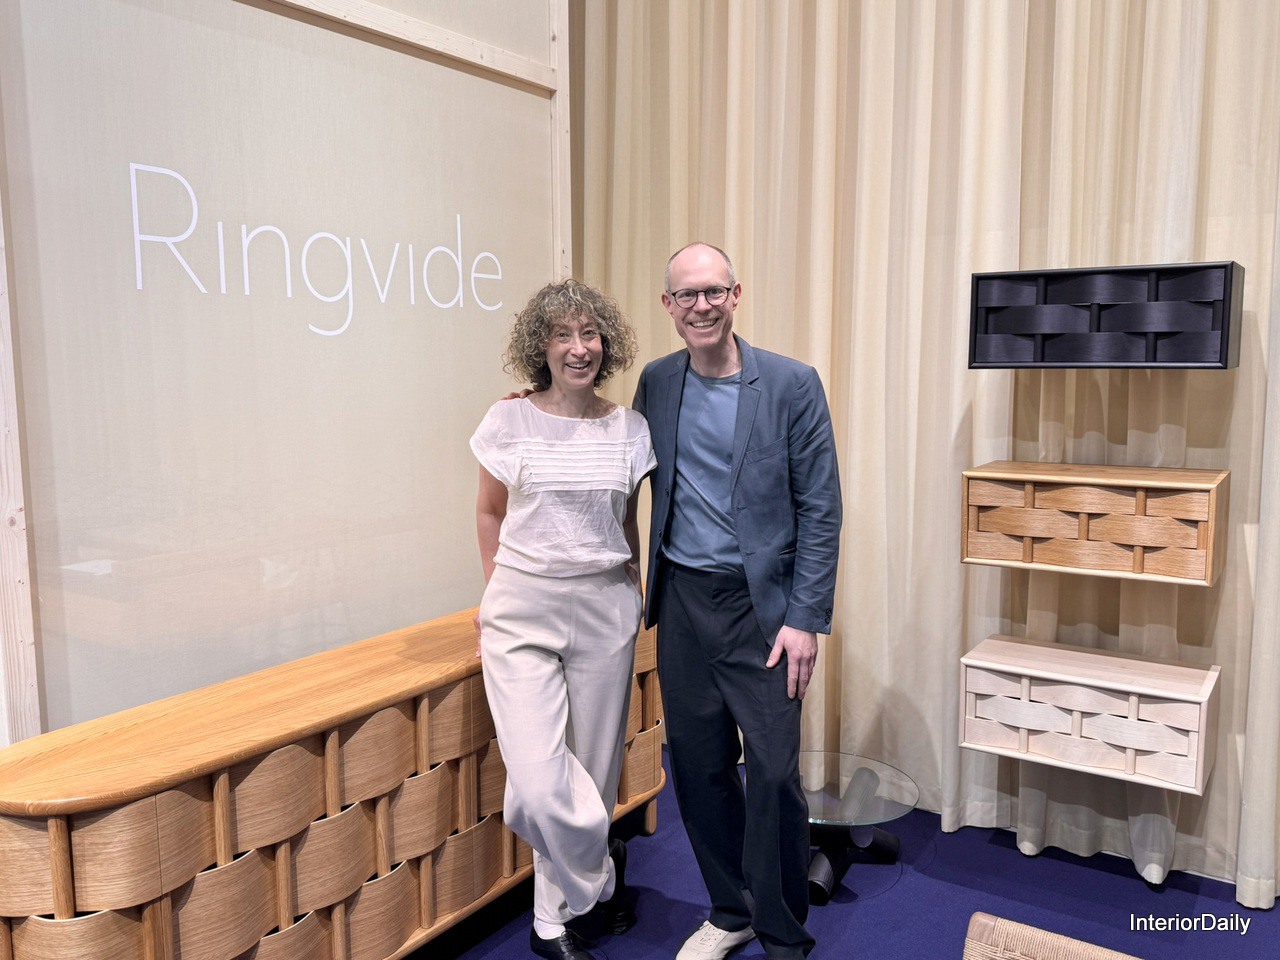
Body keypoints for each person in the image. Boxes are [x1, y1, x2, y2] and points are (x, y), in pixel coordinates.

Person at [632, 243, 842, 960]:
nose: (701, 306)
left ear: (735, 294)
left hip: (764, 611)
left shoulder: (790, 384)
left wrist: (806, 619)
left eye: (713, 292)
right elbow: (614, 450)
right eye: (686, 295)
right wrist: (534, 406)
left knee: (775, 774)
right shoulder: (657, 382)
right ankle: (731, 910)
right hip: (683, 603)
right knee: (699, 768)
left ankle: (782, 929)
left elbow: (821, 508)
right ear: (668, 306)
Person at [471, 279, 655, 960]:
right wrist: (496, 594)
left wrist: (634, 591)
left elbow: (625, 522)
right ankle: (601, 868)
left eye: (589, 334)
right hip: (523, 609)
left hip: (605, 607)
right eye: (562, 335)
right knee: (541, 782)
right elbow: (489, 512)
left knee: (595, 770)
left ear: (607, 344)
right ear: (540, 347)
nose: (579, 348)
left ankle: (550, 921)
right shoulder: (508, 420)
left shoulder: (630, 429)